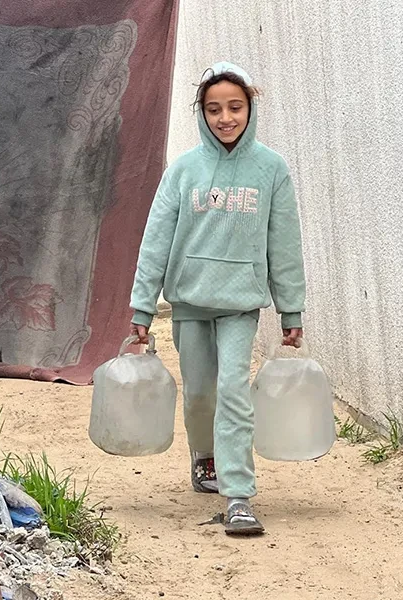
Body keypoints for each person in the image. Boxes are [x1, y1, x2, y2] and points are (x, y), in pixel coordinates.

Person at [128, 62, 306, 535]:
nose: (225, 118)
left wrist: (291, 308)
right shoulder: (183, 171)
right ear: (201, 113)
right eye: (214, 109)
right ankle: (204, 459)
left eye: (235, 107)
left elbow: (283, 242)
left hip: (239, 304)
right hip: (189, 302)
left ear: (250, 108)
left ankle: (238, 495)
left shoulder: (270, 169)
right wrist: (142, 308)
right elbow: (156, 239)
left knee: (232, 392)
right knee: (201, 393)